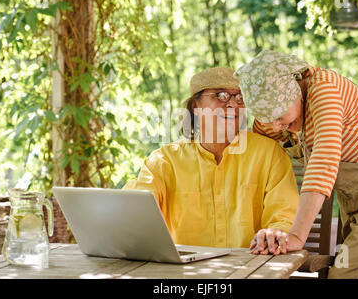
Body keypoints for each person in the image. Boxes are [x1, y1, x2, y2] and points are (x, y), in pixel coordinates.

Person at [234, 49, 358, 278]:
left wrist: (297, 237)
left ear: (296, 92)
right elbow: (257, 158)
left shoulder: (325, 92)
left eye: (279, 115)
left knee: (345, 274)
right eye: (266, 118)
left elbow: (323, 161)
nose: (276, 126)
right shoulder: (277, 117)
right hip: (356, 201)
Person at [124, 67, 299, 249]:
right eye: (221, 95)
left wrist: (276, 232)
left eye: (240, 97)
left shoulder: (268, 154)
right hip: (183, 274)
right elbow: (133, 206)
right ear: (195, 106)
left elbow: (283, 217)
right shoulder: (164, 161)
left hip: (252, 268)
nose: (232, 105)